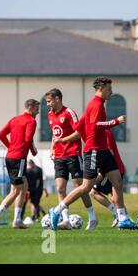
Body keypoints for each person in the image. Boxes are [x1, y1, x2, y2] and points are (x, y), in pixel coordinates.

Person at [50, 77, 136, 230]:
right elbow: (96, 125)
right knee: (85, 187)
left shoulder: (96, 105)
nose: (111, 92)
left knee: (117, 180)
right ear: (101, 89)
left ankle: (122, 218)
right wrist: (116, 121)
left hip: (103, 150)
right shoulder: (96, 105)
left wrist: (63, 139)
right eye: (109, 89)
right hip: (94, 150)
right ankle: (57, 211)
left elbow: (81, 126)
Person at [56, 116, 126, 228]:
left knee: (92, 190)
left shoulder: (103, 133)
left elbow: (108, 153)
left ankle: (118, 215)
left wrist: (100, 174)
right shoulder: (95, 127)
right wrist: (63, 139)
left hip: (111, 169)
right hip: (111, 168)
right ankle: (121, 217)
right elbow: (78, 131)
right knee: (114, 197)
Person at [46, 88, 97, 230]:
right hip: (59, 157)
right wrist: (52, 149)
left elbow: (80, 132)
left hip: (73, 154)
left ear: (57, 99)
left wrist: (63, 140)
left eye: (49, 101)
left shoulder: (69, 113)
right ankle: (66, 220)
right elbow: (54, 134)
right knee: (60, 189)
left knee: (80, 187)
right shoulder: (50, 115)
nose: (48, 105)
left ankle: (92, 217)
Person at [0, 99, 39, 229]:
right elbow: (28, 139)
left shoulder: (14, 119)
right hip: (19, 159)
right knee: (16, 190)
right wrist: (34, 151)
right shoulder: (31, 121)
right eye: (37, 108)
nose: (38, 111)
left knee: (24, 186)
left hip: (10, 157)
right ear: (31, 107)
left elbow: (1, 134)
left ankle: (17, 219)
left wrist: (10, 147)